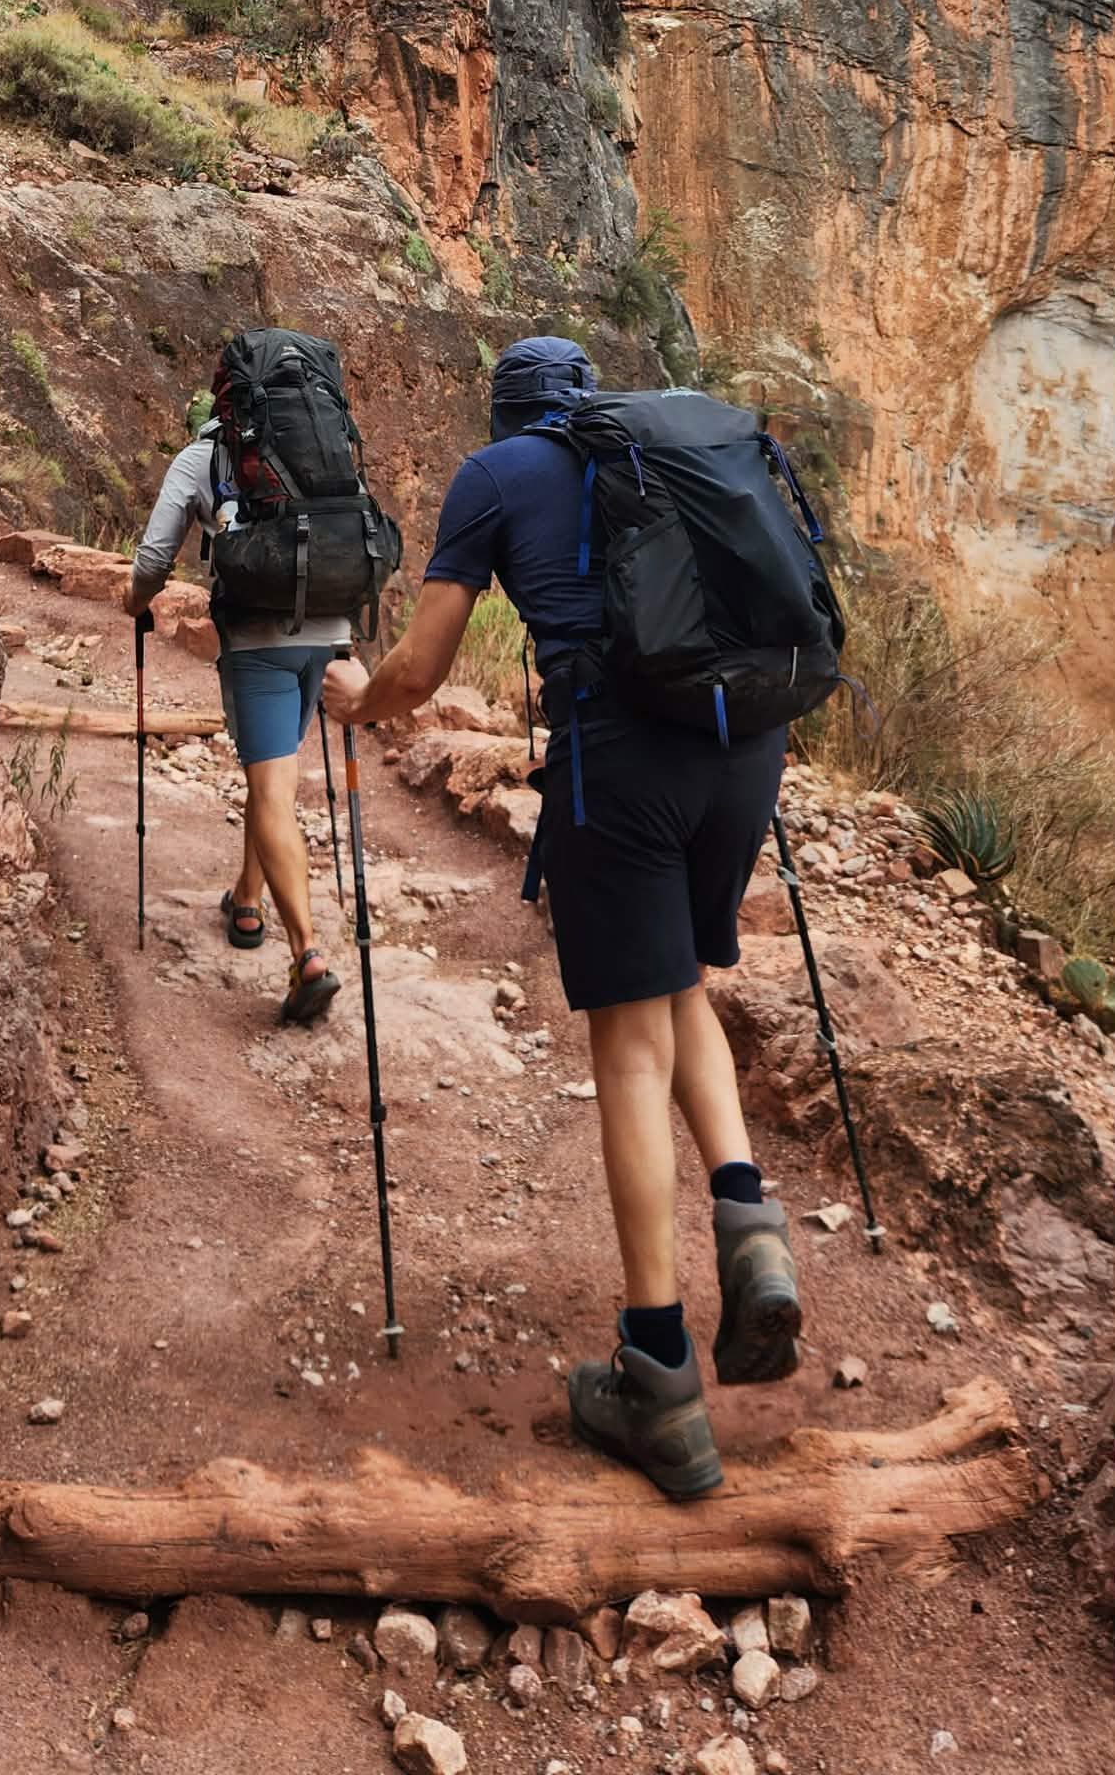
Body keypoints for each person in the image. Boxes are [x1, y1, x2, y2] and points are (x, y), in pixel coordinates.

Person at [323, 333, 801, 1500]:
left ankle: (658, 1377)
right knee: (682, 974)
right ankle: (749, 1224)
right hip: (746, 748)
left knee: (629, 1043)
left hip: (623, 763)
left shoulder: (496, 475)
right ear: (590, 401)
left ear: (506, 412)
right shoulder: (664, 448)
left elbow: (422, 666)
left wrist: (358, 698)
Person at [123, 383, 342, 1028]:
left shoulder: (201, 457)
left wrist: (135, 603)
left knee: (272, 789)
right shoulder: (311, 443)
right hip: (327, 631)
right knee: (272, 777)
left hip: (260, 640)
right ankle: (247, 902)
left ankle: (307, 955)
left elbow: (155, 557)